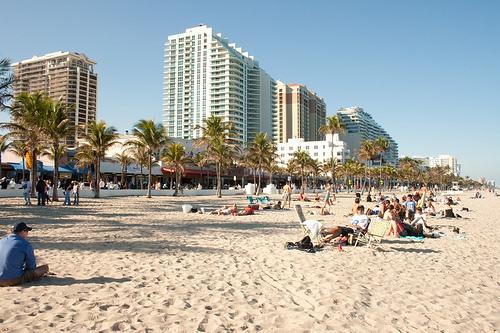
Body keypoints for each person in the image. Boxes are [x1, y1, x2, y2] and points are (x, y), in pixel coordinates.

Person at [0, 222, 49, 287]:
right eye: (27, 231)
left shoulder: (2, 241)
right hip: (12, 280)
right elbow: (31, 267)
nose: (27, 234)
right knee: (45, 268)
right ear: (22, 231)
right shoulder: (25, 244)